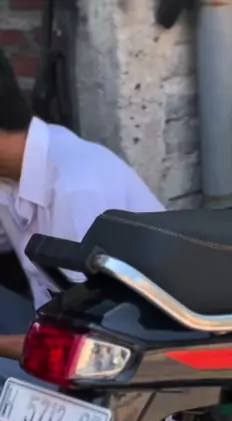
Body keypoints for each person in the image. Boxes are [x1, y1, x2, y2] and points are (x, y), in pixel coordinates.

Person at [0, 48, 165, 367]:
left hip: (114, 357)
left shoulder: (76, 189)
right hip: (53, 323)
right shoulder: (16, 167)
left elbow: (91, 346)